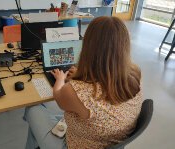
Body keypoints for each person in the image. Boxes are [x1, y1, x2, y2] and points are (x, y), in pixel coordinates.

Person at [24, 16, 143, 149]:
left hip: (77, 145)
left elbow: (58, 96)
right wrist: (82, 76)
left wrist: (60, 79)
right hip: (113, 140)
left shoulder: (77, 91)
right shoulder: (135, 73)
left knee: (32, 108)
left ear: (87, 47)